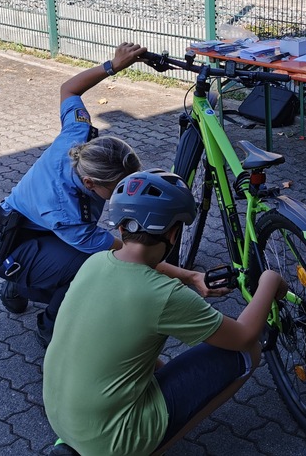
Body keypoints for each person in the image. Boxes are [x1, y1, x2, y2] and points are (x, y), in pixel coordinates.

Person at [0, 43, 220, 348]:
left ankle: (20, 285)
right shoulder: (66, 211)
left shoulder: (79, 137)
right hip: (15, 245)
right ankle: (50, 328)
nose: (124, 194)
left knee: (65, 255)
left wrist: (113, 65)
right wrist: (188, 277)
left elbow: (68, 89)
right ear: (89, 183)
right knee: (88, 268)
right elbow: (127, 252)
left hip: (35, 226)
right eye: (117, 189)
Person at [43, 169, 288, 456]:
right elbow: (244, 336)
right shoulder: (164, 295)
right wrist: (269, 281)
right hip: (110, 441)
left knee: (140, 352)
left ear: (121, 227)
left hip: (62, 421)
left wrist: (191, 277)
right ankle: (146, 446)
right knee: (247, 353)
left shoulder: (96, 262)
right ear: (173, 234)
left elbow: (140, 262)